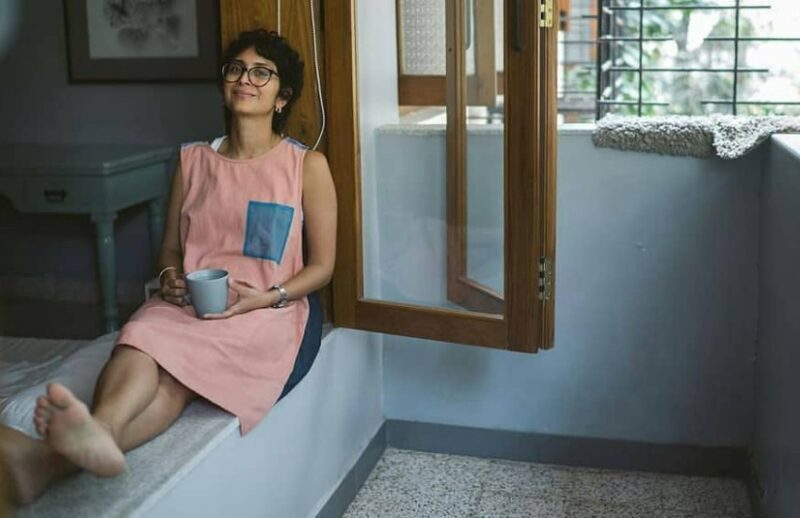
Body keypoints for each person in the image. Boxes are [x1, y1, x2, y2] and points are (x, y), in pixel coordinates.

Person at [0, 28, 337, 504]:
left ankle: (50, 458)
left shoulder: (306, 166)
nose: (245, 79)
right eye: (236, 69)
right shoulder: (192, 160)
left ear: (282, 97)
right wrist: (169, 278)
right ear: (224, 83)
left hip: (263, 311)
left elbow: (323, 266)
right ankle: (98, 433)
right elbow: (170, 251)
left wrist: (267, 296)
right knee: (140, 336)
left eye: (262, 73)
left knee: (177, 377)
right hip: (190, 304)